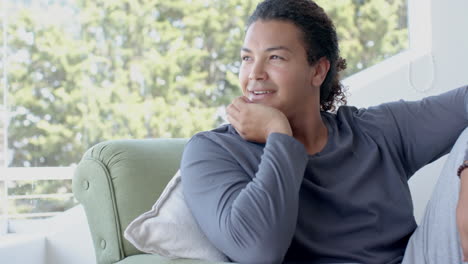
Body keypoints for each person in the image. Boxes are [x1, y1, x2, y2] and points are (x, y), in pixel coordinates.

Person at [180, 0, 468, 263]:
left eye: (275, 58)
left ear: (317, 71)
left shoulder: (375, 130)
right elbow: (258, 251)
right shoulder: (212, 151)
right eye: (246, 58)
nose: (254, 73)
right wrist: (279, 135)